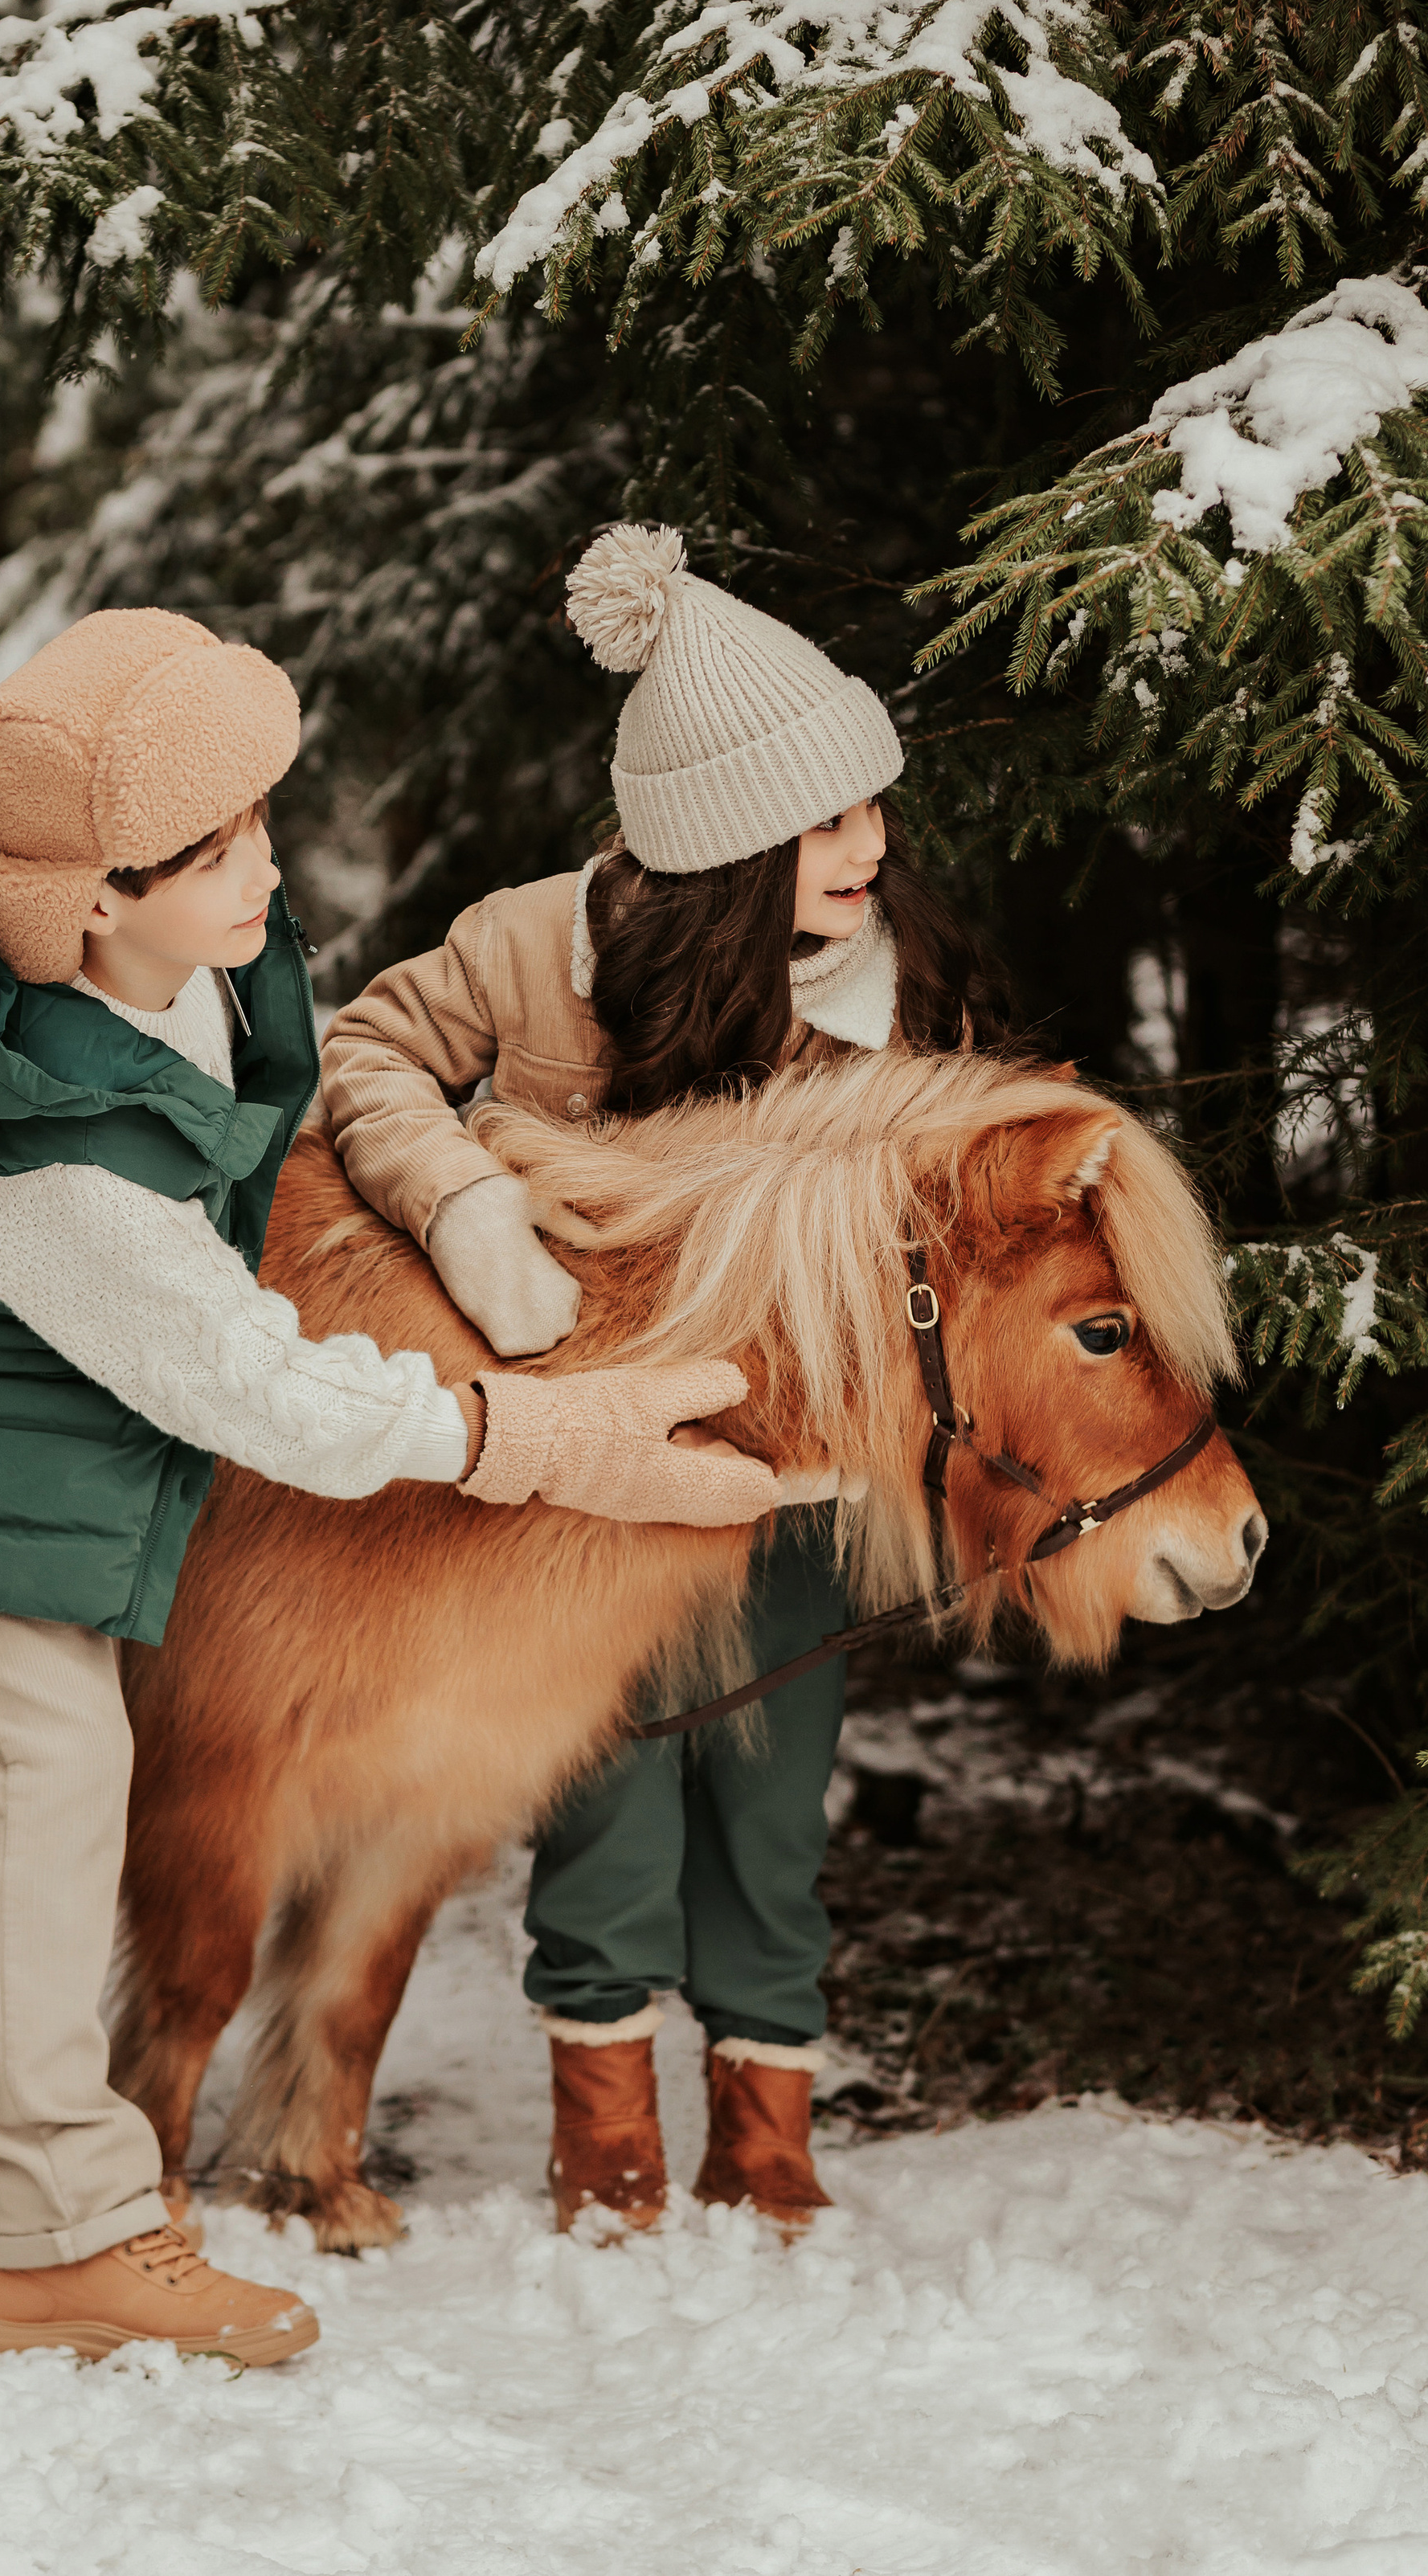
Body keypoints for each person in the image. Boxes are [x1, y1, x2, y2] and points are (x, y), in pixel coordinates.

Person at [0, 607, 779, 2364]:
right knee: (45, 1793)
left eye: (260, 821)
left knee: (19, 1802)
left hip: (10, 1402)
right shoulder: (27, 1138)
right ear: (92, 902)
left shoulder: (125, 946)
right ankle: (60, 2239)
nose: (267, 871)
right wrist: (538, 1443)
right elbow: (244, 1378)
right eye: (216, 850)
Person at [322, 526, 1009, 2238]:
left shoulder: (901, 981)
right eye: (824, 821)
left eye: (869, 808)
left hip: (797, 1488)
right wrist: (467, 1199)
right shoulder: (536, 946)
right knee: (606, 1800)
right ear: (718, 849)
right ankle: (606, 2154)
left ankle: (768, 2146)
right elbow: (367, 1051)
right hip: (593, 1472)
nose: (868, 848)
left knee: (772, 1804)